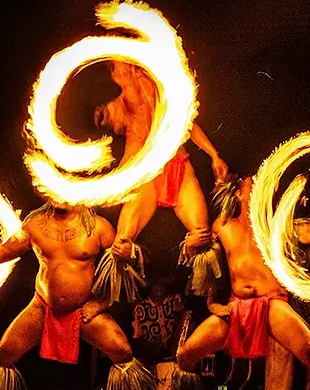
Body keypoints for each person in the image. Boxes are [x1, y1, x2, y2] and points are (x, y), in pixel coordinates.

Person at [0, 201, 156, 390]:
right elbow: (4, 251)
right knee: (3, 353)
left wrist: (102, 301)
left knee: (123, 353)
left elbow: (123, 270)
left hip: (84, 310)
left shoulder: (98, 227)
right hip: (42, 306)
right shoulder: (35, 225)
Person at [171, 174, 310, 390]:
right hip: (236, 308)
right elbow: (206, 268)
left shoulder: (275, 228)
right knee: (186, 355)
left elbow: (305, 232)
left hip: (272, 306)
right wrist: (211, 301)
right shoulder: (222, 226)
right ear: (239, 193)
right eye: (253, 184)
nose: (260, 187)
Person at [92, 58, 230, 305]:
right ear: (114, 75)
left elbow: (189, 125)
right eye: (118, 68)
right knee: (121, 244)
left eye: (128, 64)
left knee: (202, 235)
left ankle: (210, 303)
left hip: (178, 166)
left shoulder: (164, 91)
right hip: (146, 177)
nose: (125, 70)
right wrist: (102, 117)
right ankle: (106, 303)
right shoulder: (117, 107)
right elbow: (111, 127)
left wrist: (214, 154)